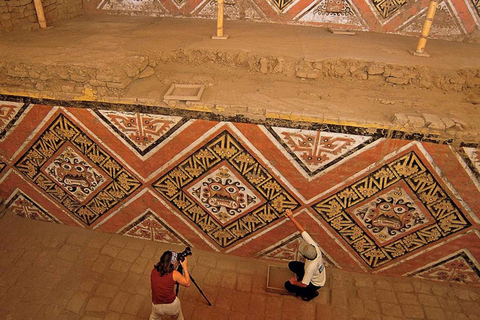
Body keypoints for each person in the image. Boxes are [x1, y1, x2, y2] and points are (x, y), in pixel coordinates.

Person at [284, 209, 326, 301]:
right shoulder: (315, 248)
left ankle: (311, 293)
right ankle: (303, 279)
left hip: (315, 284)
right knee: (292, 265)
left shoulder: (310, 267)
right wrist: (291, 217)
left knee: (288, 286)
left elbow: (304, 284)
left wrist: (294, 282)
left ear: (305, 257)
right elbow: (302, 231)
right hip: (316, 273)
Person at [150, 250, 191, 320]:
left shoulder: (154, 270)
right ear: (172, 263)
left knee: (154, 317)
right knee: (178, 317)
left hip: (156, 304)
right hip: (171, 305)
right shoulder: (174, 274)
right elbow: (187, 283)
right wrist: (185, 268)